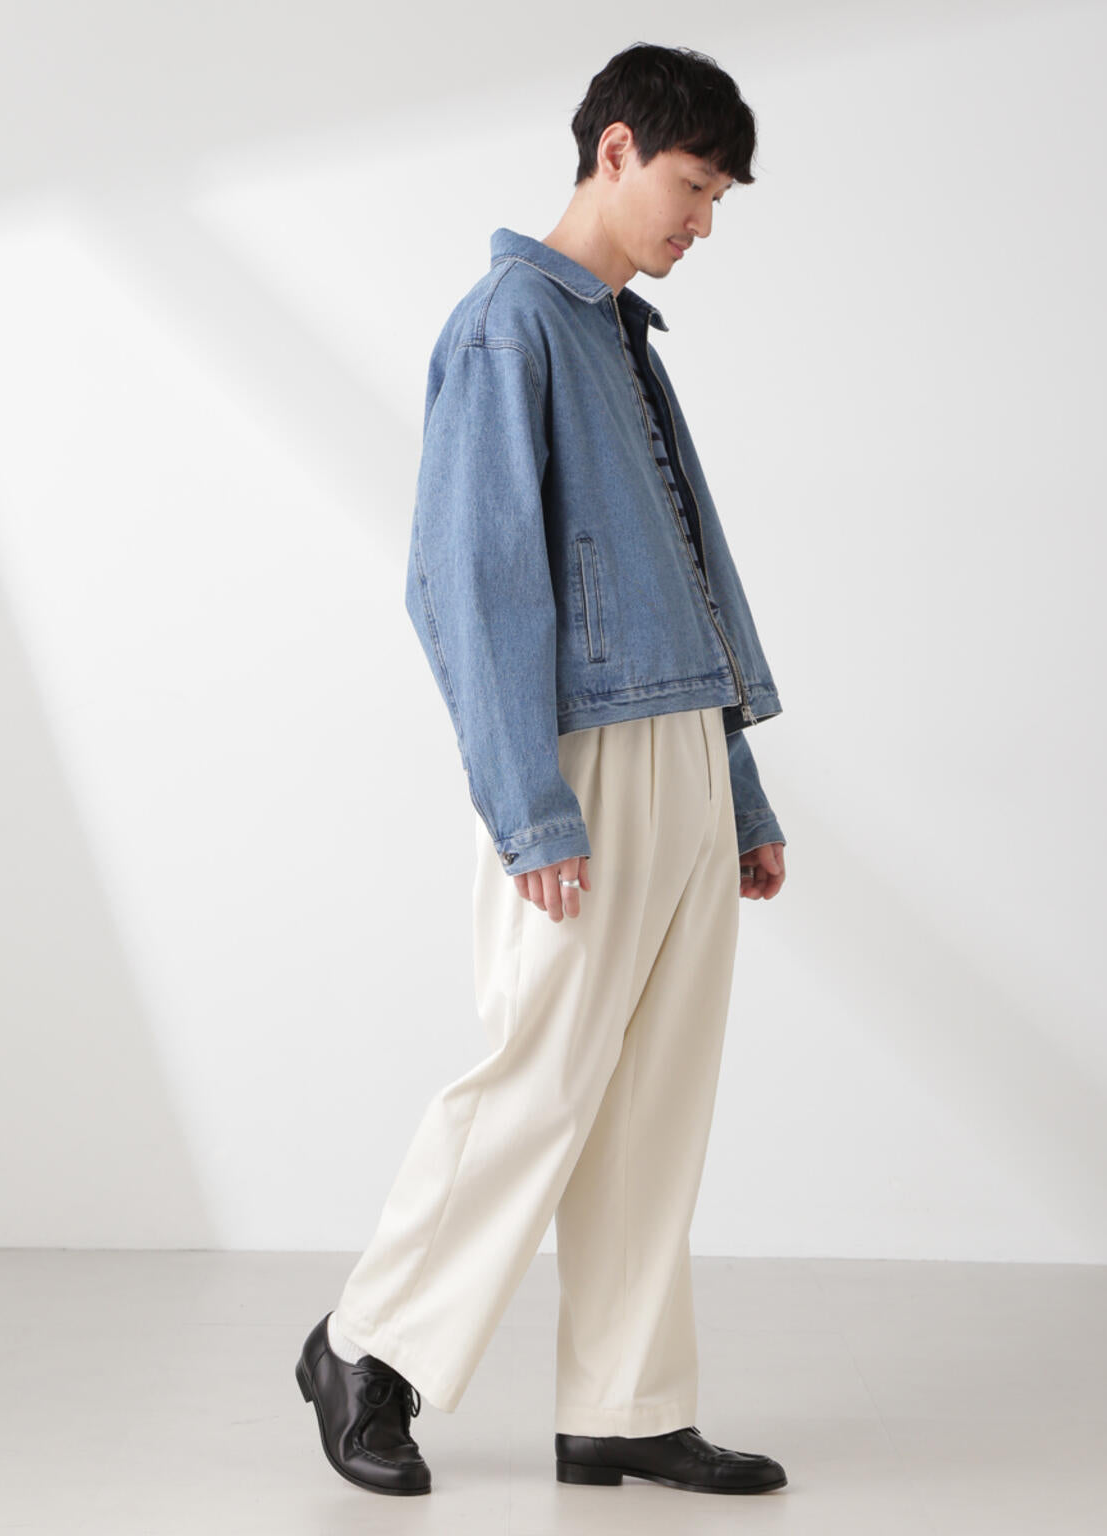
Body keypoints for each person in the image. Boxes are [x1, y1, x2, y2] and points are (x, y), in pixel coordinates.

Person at [296, 41, 789, 1497]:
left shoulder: (618, 332)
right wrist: (528, 805)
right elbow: (470, 583)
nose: (703, 222)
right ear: (615, 149)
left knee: (655, 1091)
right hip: (579, 755)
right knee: (544, 1071)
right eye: (692, 186)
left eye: (719, 199)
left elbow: (687, 580)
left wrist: (740, 791)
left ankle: (625, 1403)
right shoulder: (512, 326)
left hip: (678, 745)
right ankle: (365, 1346)